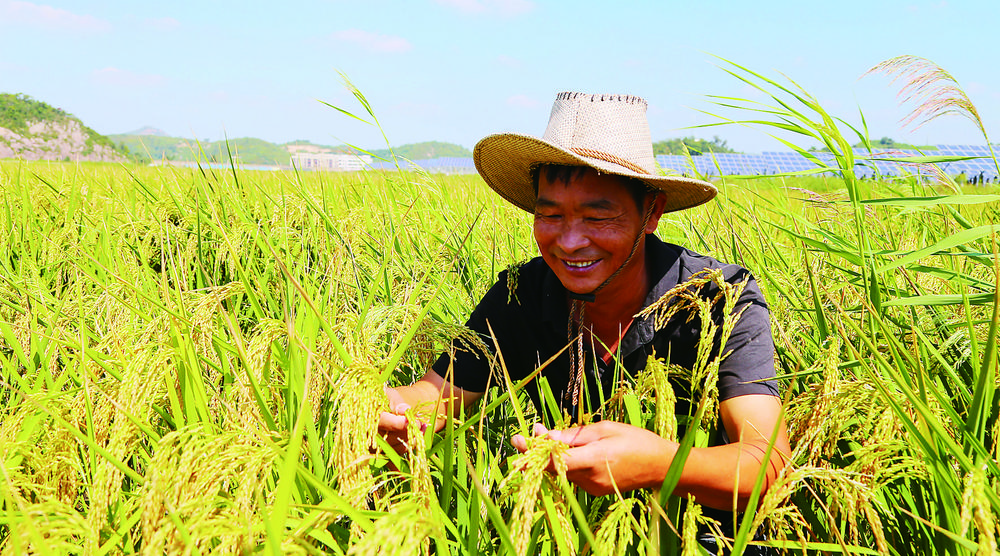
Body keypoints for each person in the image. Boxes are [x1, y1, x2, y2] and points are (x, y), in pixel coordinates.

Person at [378, 92, 789, 550]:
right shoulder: (520, 295)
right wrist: (394, 410)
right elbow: (439, 395)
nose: (570, 241)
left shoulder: (718, 299)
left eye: (598, 215)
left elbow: (767, 462)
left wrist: (662, 464)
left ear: (650, 213)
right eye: (550, 214)